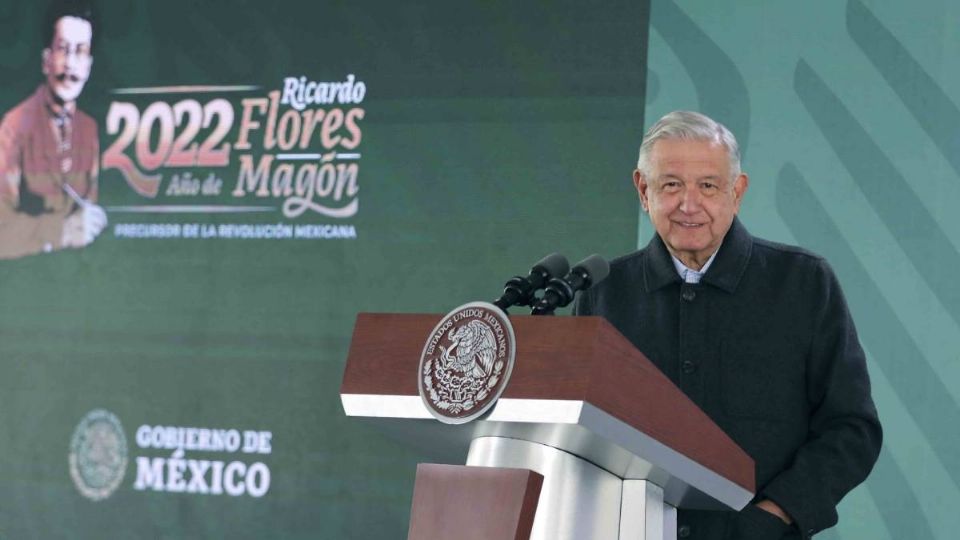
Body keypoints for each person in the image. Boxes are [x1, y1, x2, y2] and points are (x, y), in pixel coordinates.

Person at [574, 111, 882, 539]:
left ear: (736, 193)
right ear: (643, 191)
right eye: (671, 185)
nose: (689, 204)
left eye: (708, 186)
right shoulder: (604, 291)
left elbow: (852, 430)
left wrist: (777, 514)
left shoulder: (804, 283)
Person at [0, 0, 106, 260]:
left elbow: (87, 206)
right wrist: (61, 232)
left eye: (80, 52)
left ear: (89, 65)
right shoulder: (14, 127)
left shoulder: (89, 129)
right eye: (62, 49)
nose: (70, 65)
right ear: (46, 60)